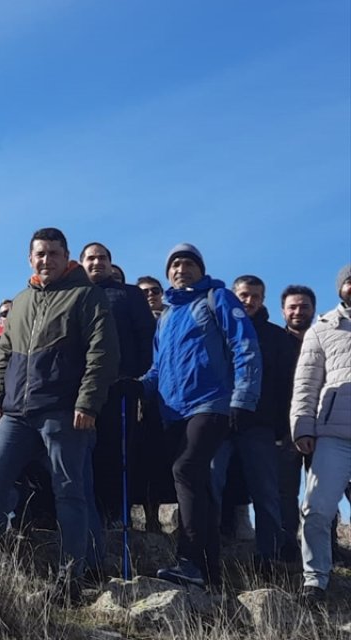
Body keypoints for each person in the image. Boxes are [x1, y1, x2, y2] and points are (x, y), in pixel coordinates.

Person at [0, 227, 119, 604]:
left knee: (70, 492)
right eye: (40, 254)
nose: (46, 260)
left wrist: (87, 403)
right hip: (15, 413)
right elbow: (4, 356)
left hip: (62, 411)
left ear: (66, 256)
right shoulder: (21, 301)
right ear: (30, 258)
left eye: (53, 253)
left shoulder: (85, 295)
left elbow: (101, 353)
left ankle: (71, 580)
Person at [141, 243, 260, 588]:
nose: (181, 269)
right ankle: (209, 572)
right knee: (202, 486)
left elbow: (245, 346)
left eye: (188, 263)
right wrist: (136, 387)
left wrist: (244, 397)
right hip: (173, 411)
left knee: (186, 470)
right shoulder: (165, 318)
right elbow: (156, 368)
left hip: (212, 403)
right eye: (175, 264)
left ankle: (188, 560)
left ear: (200, 269)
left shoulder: (217, 298)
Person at [211, 275, 293, 567]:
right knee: (210, 483)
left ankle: (268, 556)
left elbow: (288, 385)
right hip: (217, 420)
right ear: (233, 296)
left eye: (255, 296)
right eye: (243, 295)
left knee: (265, 491)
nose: (249, 301)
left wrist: (283, 428)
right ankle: (207, 552)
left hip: (260, 424)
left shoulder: (276, 337)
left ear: (263, 299)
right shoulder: (214, 331)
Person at [79, 242, 156, 541]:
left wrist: (140, 382)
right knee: (86, 453)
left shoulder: (130, 295)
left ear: (111, 264)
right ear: (81, 262)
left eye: (102, 258)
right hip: (79, 389)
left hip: (122, 386)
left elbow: (147, 340)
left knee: (119, 453)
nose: (96, 263)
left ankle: (115, 517)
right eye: (90, 258)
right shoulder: (73, 296)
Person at [291, 264, 351, 608]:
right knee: (316, 511)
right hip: (332, 435)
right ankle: (315, 581)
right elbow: (306, 382)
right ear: (340, 287)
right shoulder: (322, 328)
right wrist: (302, 426)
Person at [277, 284, 316, 559]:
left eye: (304, 306)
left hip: (324, 426)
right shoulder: (274, 341)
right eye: (292, 306)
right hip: (283, 427)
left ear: (313, 309)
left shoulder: (324, 339)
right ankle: (288, 545)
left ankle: (323, 545)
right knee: (285, 491)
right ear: (283, 310)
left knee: (322, 492)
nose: (298, 311)